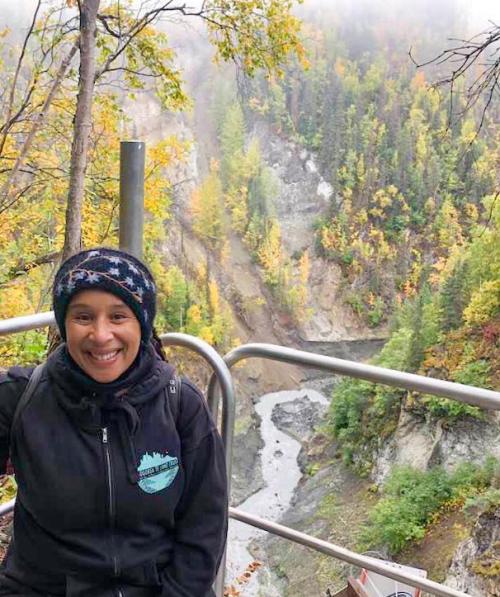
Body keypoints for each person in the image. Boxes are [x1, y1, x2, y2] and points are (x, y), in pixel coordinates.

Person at [0, 247, 228, 597]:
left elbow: (204, 528)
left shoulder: (181, 406)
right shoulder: (21, 399)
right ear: (64, 324)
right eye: (83, 317)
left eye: (118, 316)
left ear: (142, 323)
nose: (101, 335)